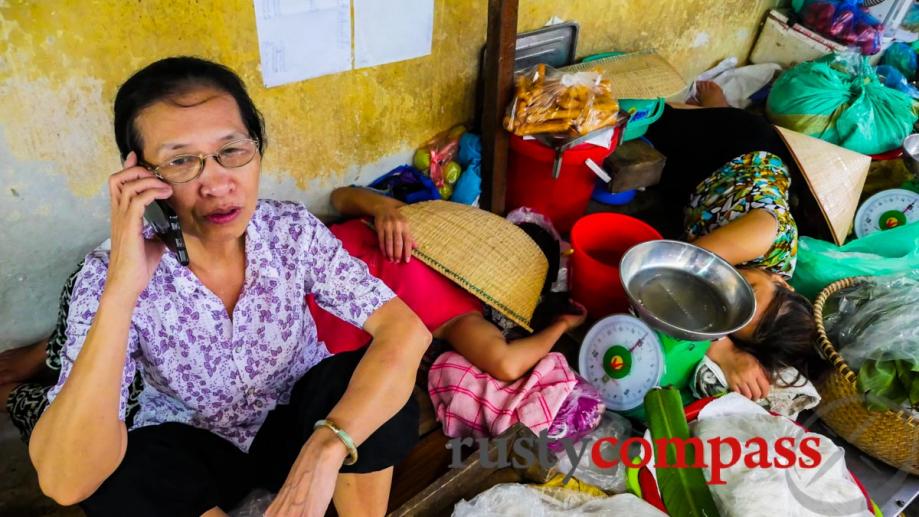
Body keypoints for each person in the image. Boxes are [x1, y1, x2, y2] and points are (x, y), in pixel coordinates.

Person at [25, 56, 432, 517]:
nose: (217, 184)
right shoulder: (108, 273)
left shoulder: (290, 231)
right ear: (141, 176)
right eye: (180, 161)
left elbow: (406, 330)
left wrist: (327, 447)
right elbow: (64, 481)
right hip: (201, 458)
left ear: (257, 148)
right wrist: (122, 289)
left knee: (358, 385)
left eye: (232, 151)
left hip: (301, 430)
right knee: (119, 470)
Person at [644, 81, 826, 402]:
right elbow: (680, 267)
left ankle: (716, 110)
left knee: (668, 196)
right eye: (749, 291)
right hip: (740, 149)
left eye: (735, 310)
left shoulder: (763, 296)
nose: (733, 288)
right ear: (783, 282)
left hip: (710, 196)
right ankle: (719, 112)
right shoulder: (763, 237)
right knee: (648, 123)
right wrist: (723, 350)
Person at [311, 186, 587, 383]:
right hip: (292, 263)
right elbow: (340, 197)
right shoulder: (426, 223)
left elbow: (507, 364)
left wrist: (560, 325)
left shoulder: (463, 316)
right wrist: (382, 208)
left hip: (299, 328)